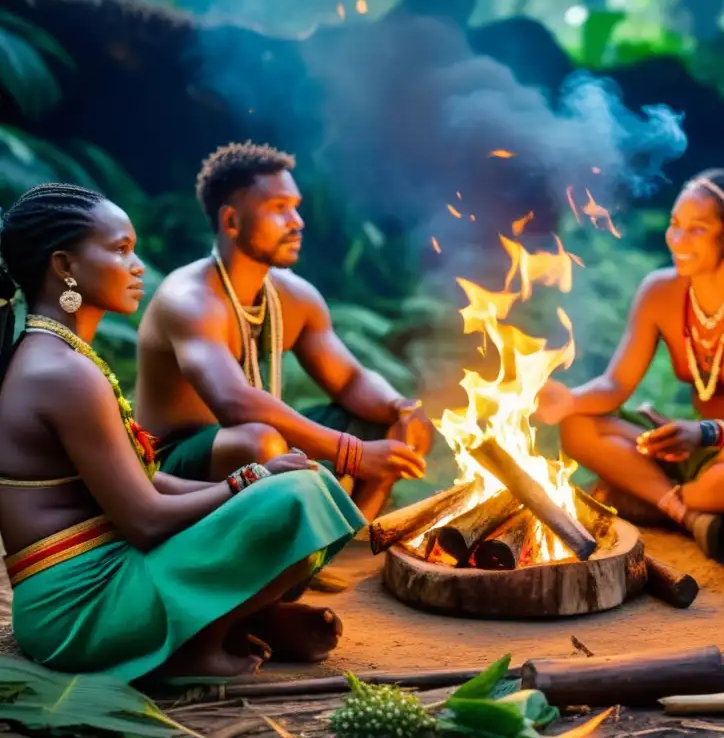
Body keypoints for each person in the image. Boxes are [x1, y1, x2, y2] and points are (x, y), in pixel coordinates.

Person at [0, 183, 367, 681]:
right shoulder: (62, 372)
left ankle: (240, 622)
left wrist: (258, 480)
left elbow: (147, 481)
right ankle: (196, 647)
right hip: (80, 611)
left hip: (100, 583)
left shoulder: (64, 357)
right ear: (65, 267)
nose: (138, 267)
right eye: (121, 250)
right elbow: (146, 520)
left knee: (298, 486)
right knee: (295, 500)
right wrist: (248, 482)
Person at [535, 170, 724, 558]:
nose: (677, 239)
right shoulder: (658, 291)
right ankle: (689, 514)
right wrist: (569, 399)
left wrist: (707, 433)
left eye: (696, 229)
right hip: (695, 453)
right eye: (675, 224)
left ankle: (648, 500)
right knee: (578, 426)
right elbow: (615, 386)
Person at [135, 141, 432, 525]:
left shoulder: (293, 297)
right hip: (176, 465)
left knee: (386, 425)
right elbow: (234, 402)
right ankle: (285, 557)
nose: (297, 221)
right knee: (262, 442)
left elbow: (350, 381)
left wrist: (401, 408)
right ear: (231, 221)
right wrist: (353, 454)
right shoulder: (190, 298)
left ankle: (340, 543)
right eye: (279, 209)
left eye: (295, 206)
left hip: (261, 443)